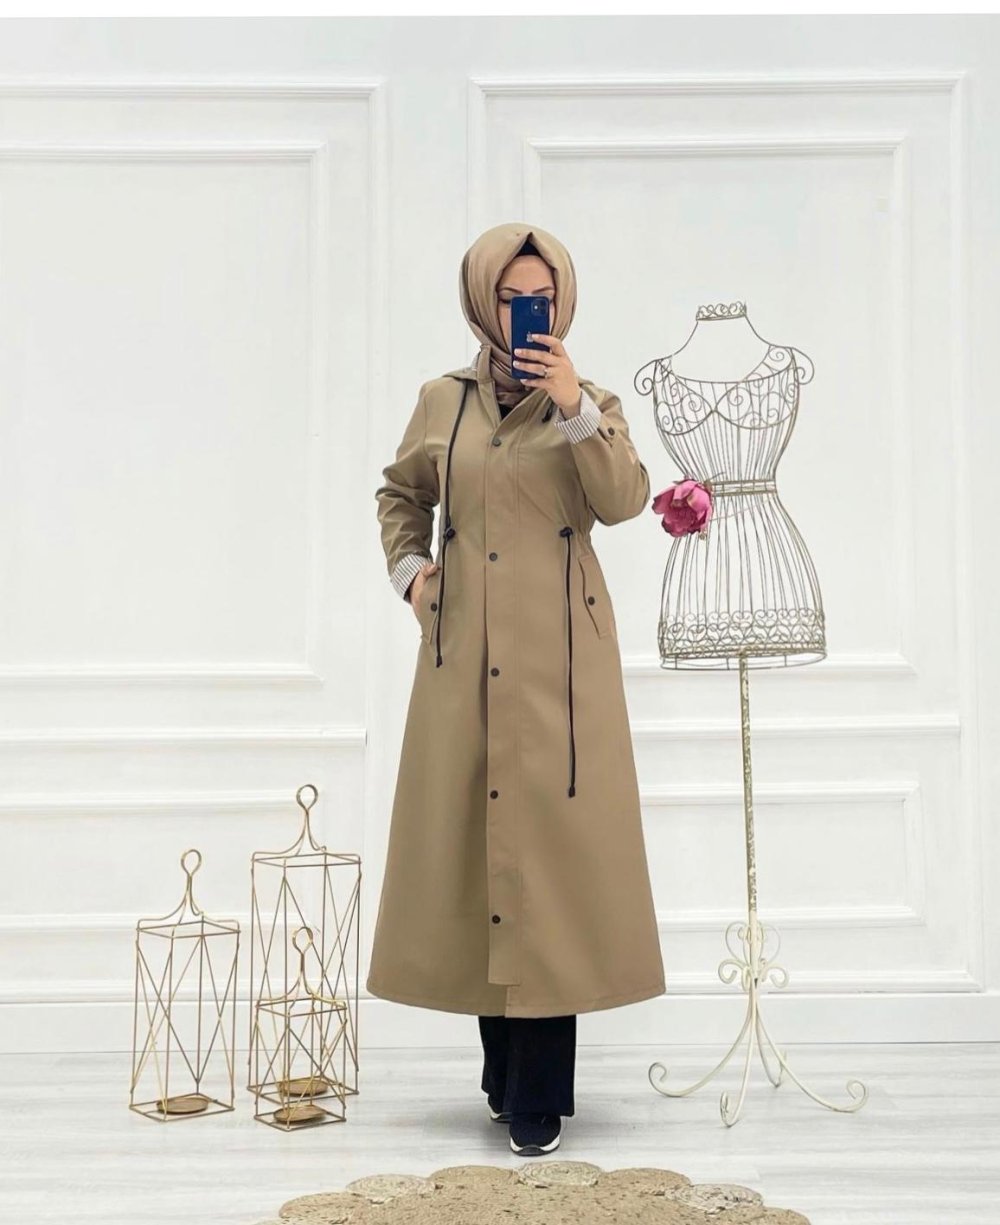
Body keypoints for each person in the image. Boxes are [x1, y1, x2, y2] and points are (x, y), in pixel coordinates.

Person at [369, 222, 665, 1156]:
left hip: (562, 666)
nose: (526, 311)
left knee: (550, 862)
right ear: (481, 301)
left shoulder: (591, 402)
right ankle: (504, 1076)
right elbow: (399, 495)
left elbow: (624, 498)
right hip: (464, 657)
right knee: (479, 850)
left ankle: (540, 1091)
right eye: (510, 296)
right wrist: (415, 578)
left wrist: (571, 402)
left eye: (541, 296)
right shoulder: (442, 402)